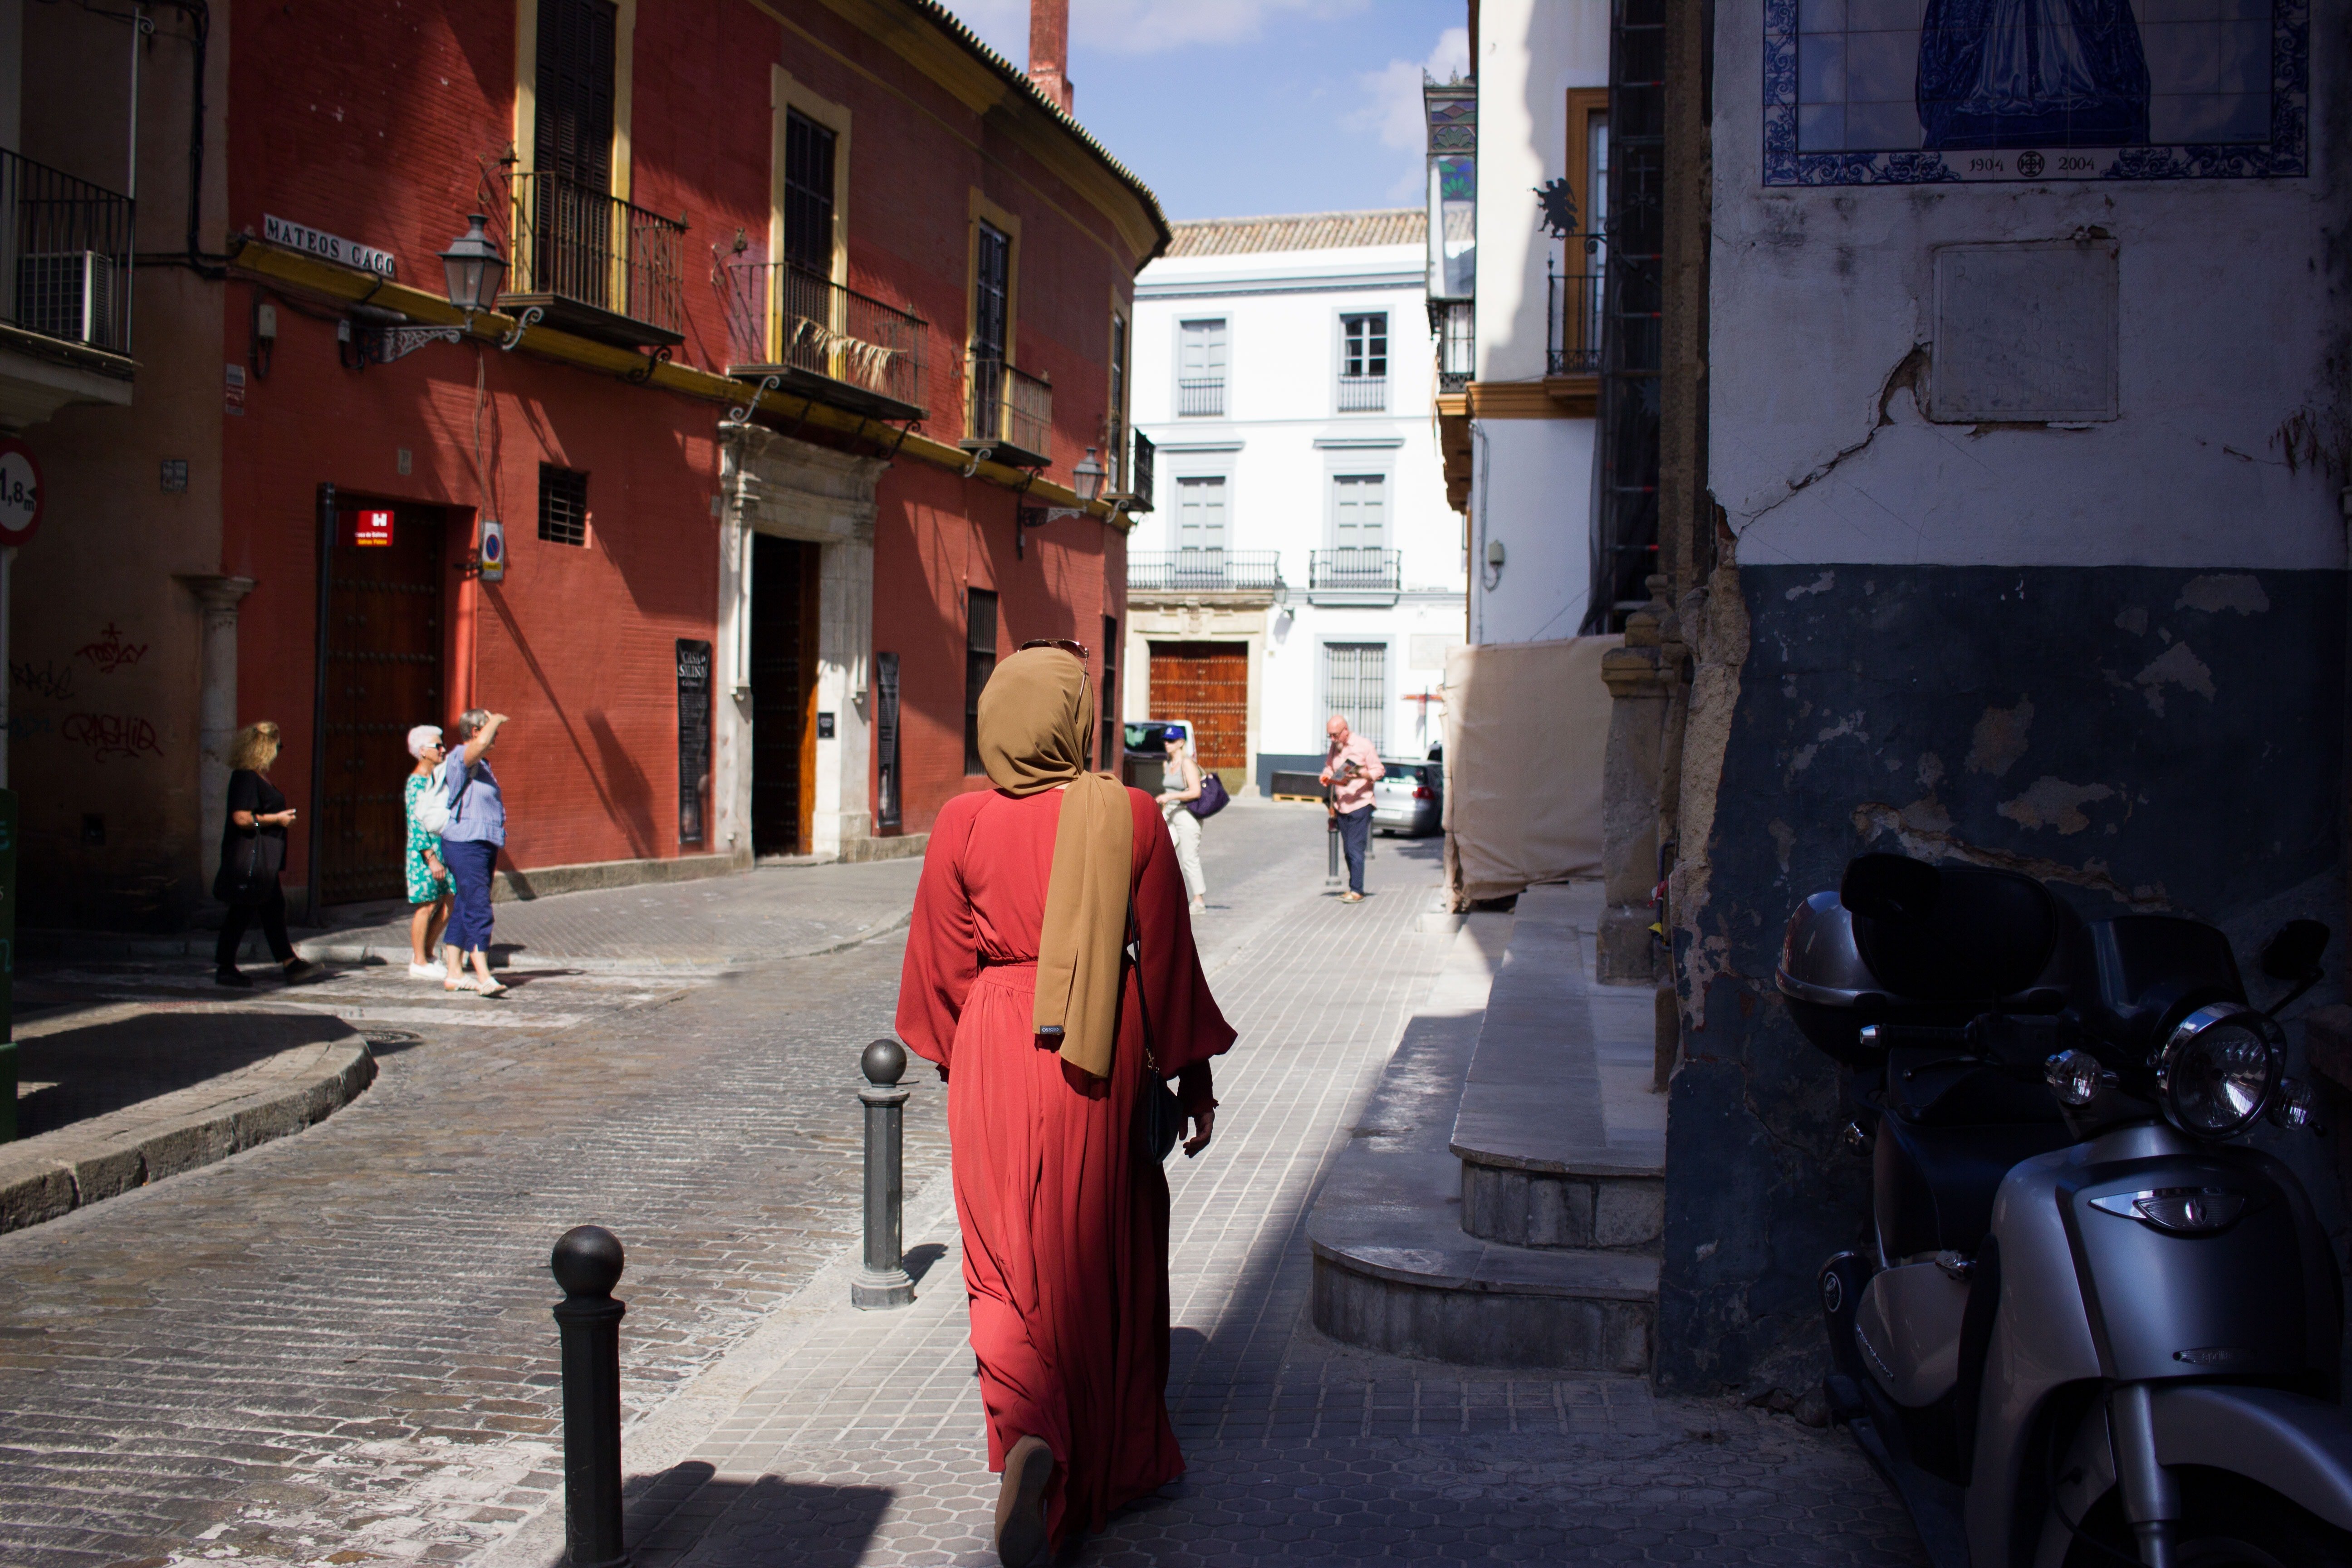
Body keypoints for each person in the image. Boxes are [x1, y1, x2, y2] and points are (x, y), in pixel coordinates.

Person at [896, 646, 1235, 1568]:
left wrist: (967, 1070)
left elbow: (940, 967)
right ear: (1076, 725)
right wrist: (1195, 1081)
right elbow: (1166, 960)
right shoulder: (1126, 814)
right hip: (1102, 1049)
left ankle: (1032, 1436)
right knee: (1098, 1254)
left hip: (995, 1044)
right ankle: (1108, 1458)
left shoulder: (961, 822)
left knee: (1003, 1260)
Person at [213, 720, 323, 988]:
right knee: (243, 911)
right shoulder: (245, 777)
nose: (279, 751)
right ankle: (227, 967)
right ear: (265, 747)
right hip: (252, 859)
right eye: (278, 746)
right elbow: (240, 818)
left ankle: (289, 963)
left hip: (262, 859)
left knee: (272, 907)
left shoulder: (258, 776)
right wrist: (275, 819)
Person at [437, 708, 510, 996]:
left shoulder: (484, 764)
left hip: (481, 842)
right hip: (466, 843)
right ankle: (483, 974)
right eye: (490, 729)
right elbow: (477, 746)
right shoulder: (460, 756)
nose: (496, 734)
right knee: (479, 905)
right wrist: (497, 718)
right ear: (476, 732)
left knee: (467, 904)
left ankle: (454, 972)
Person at [402, 725, 453, 979]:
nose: (443, 750)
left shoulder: (434, 778)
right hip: (425, 853)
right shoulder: (416, 783)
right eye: (438, 746)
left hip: (442, 849)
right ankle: (419, 961)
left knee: (449, 900)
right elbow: (416, 824)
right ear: (423, 751)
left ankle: (429, 953)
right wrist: (431, 858)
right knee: (427, 904)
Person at [1318, 713, 1385, 904]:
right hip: (1341, 805)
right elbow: (1330, 767)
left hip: (1360, 803)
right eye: (1329, 736)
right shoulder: (1335, 747)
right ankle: (1353, 887)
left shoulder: (1364, 745)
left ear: (1345, 730)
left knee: (1356, 848)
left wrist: (1363, 774)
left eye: (1336, 735)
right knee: (1348, 850)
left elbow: (1379, 770)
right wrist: (1326, 776)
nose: (1333, 739)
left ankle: (1357, 891)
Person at [1154, 728, 1207, 915]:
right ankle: (1163, 895)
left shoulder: (1187, 764)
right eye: (1165, 740)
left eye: (1171, 740)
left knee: (1190, 858)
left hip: (1187, 816)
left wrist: (1170, 797)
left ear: (1181, 742)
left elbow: (1196, 792)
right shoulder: (1168, 763)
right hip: (1170, 815)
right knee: (1161, 854)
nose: (1167, 743)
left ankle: (1199, 901)